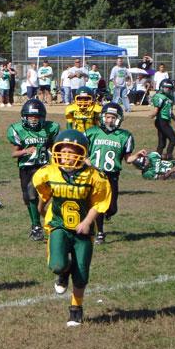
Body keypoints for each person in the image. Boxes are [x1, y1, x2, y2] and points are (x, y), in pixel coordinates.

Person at [32, 129, 111, 327]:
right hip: (58, 224)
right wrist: (41, 210)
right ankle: (63, 272)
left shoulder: (94, 176)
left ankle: (76, 309)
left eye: (71, 151)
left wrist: (87, 222)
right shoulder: (49, 172)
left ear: (82, 153)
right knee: (57, 265)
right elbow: (44, 195)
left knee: (81, 273)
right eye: (63, 151)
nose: (67, 156)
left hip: (83, 230)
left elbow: (99, 203)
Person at [7, 99, 60, 241]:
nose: (34, 119)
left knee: (38, 195)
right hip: (26, 168)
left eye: (36, 117)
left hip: (43, 167)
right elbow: (14, 154)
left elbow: (54, 148)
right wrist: (25, 151)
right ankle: (36, 225)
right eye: (30, 116)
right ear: (24, 117)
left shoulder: (50, 128)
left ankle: (41, 225)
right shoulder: (18, 130)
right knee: (28, 198)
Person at [85, 103, 136, 244]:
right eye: (107, 117)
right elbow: (82, 152)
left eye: (113, 117)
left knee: (112, 208)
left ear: (118, 119)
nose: (110, 120)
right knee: (98, 205)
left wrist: (137, 157)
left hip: (112, 175)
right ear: (102, 117)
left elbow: (128, 159)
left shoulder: (124, 136)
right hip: (96, 174)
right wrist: (87, 161)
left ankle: (106, 215)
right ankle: (100, 233)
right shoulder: (92, 132)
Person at [150, 79, 175, 160]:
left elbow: (170, 112)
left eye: (169, 88)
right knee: (173, 140)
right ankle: (168, 156)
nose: (168, 89)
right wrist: (152, 115)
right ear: (161, 87)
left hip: (166, 121)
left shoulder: (171, 98)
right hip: (161, 120)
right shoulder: (159, 96)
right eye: (166, 87)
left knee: (162, 143)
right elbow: (156, 110)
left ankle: (156, 158)